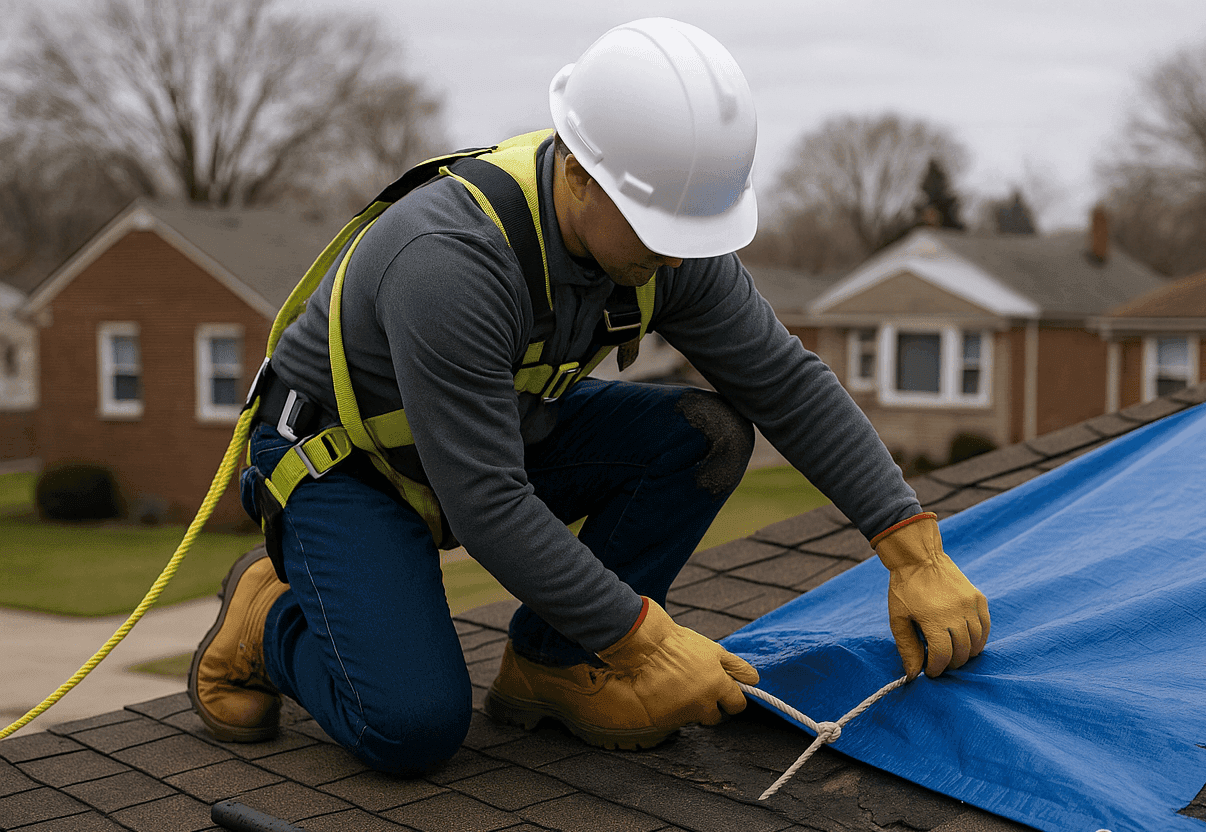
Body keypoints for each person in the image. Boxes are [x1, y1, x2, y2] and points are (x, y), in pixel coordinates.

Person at [189, 18, 989, 774]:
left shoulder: (665, 238)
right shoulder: (449, 261)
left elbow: (784, 382)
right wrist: (643, 640)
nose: (679, 260)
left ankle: (557, 662)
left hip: (488, 438)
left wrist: (914, 553)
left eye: (693, 235)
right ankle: (270, 618)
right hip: (346, 464)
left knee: (704, 432)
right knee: (410, 727)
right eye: (660, 234)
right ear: (576, 172)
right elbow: (488, 505)